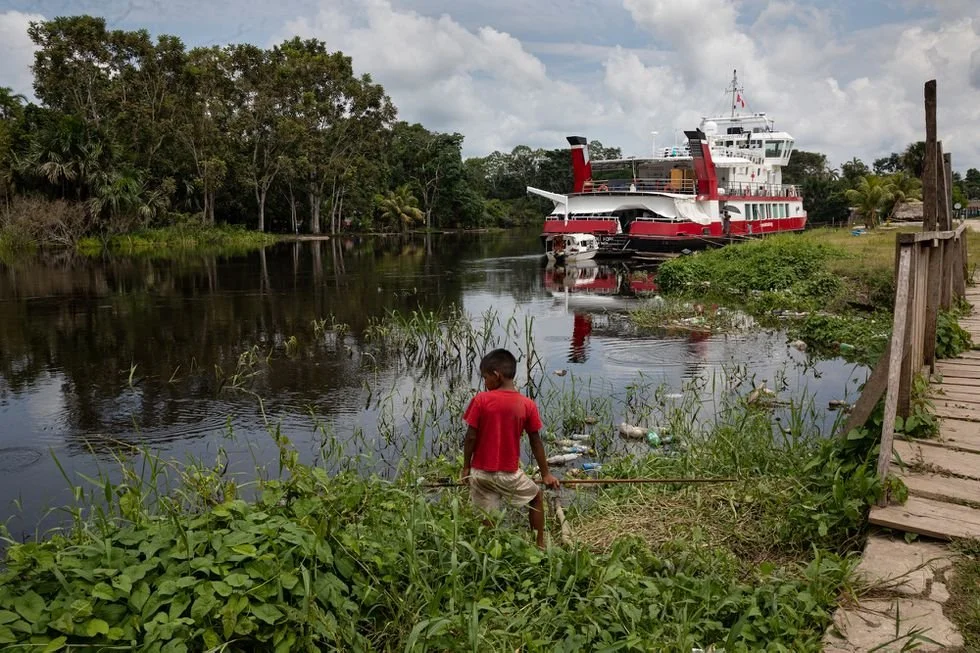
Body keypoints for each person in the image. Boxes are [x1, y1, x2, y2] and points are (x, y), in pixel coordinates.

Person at [460, 349, 560, 548]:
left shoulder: (480, 400)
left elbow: (471, 437)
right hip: (508, 474)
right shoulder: (527, 404)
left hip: (480, 474)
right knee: (536, 497)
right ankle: (539, 545)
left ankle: (487, 552)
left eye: (486, 377)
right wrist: (546, 474)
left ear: (496, 375)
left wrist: (466, 467)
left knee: (487, 516)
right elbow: (535, 441)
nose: (485, 382)